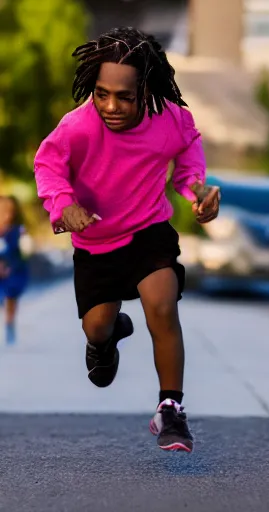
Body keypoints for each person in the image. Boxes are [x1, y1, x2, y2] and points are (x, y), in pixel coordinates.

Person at [33, 27, 220, 453]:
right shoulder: (76, 126)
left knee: (162, 304)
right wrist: (64, 204)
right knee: (96, 326)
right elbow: (48, 165)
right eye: (102, 94)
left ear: (146, 90)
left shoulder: (172, 119)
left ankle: (170, 410)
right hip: (95, 240)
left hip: (147, 231)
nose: (111, 106)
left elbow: (187, 167)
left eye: (125, 96)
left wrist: (197, 194)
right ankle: (109, 335)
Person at [0, 196, 30, 345]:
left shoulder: (18, 230)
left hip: (14, 271)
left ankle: (9, 323)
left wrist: (10, 267)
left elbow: (25, 251)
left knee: (11, 299)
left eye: (8, 211)